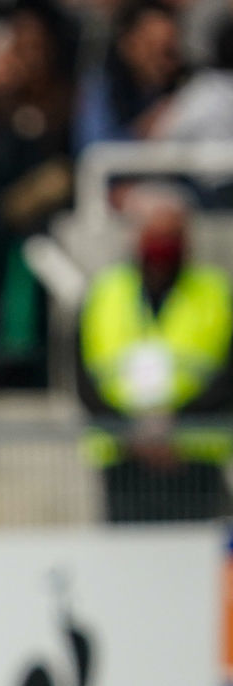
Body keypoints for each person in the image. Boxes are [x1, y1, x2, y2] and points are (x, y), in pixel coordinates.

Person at [78, 193, 233, 522]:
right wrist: (132, 433)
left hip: (195, 459)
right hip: (123, 461)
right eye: (155, 234)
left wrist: (175, 427)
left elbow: (226, 378)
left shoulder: (216, 293)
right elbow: (85, 379)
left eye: (171, 235)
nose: (163, 246)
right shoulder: (105, 293)